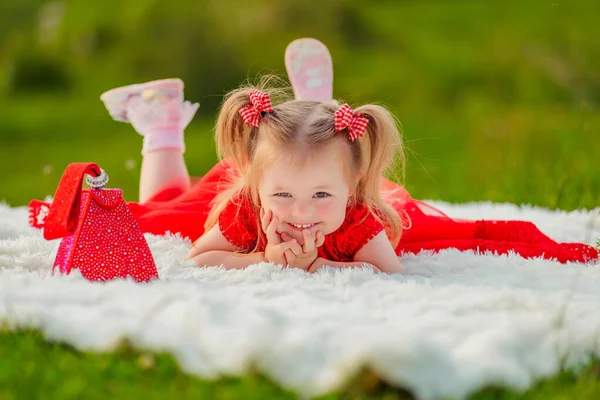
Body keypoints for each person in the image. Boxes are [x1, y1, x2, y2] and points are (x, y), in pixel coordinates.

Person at [33, 38, 599, 273]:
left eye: (321, 197)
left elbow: (387, 271)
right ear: (258, 191)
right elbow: (198, 259)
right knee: (168, 209)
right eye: (286, 198)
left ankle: (317, 106)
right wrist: (259, 260)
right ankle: (161, 126)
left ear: (352, 191)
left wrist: (320, 264)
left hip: (306, 163)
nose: (301, 212)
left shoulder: (355, 218)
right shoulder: (250, 207)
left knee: (416, 217)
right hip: (259, 168)